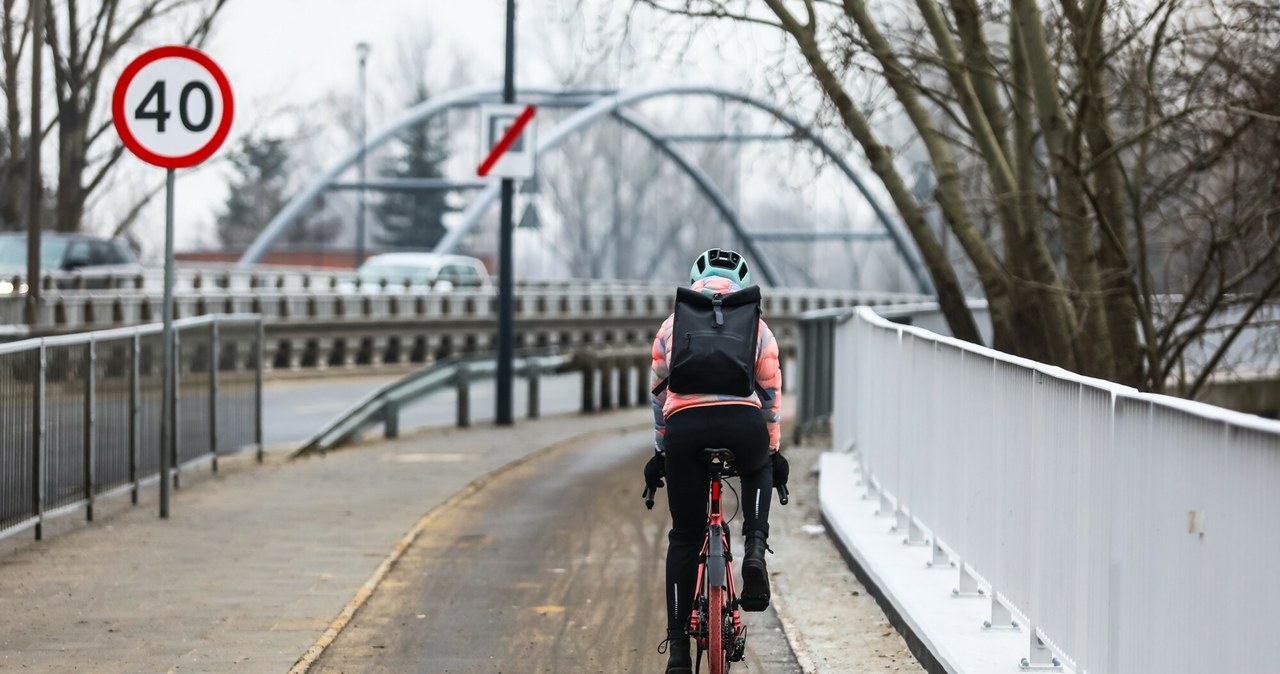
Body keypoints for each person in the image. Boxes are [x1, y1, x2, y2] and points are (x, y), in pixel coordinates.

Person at [644, 248, 788, 674]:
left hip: (686, 431)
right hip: (741, 425)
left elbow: (658, 394)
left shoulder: (673, 324)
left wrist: (662, 449)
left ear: (695, 281)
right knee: (759, 463)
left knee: (685, 538)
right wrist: (772, 450)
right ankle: (755, 552)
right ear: (740, 285)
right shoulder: (756, 326)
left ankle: (676, 653)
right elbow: (771, 396)